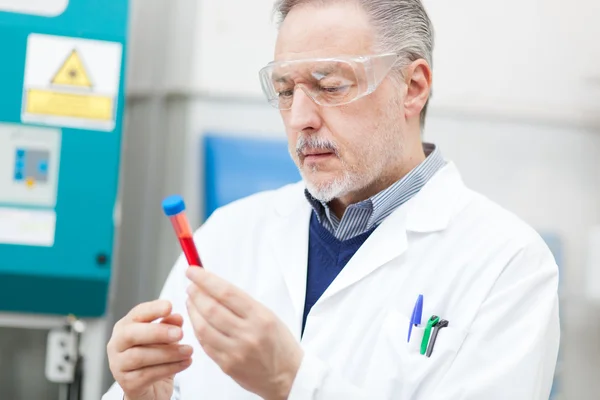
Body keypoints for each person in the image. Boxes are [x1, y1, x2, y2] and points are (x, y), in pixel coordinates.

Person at [103, 0, 560, 399]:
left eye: (330, 85)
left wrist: (292, 381)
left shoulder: (507, 264)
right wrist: (142, 396)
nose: (300, 117)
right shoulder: (228, 235)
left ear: (413, 87)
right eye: (285, 90)